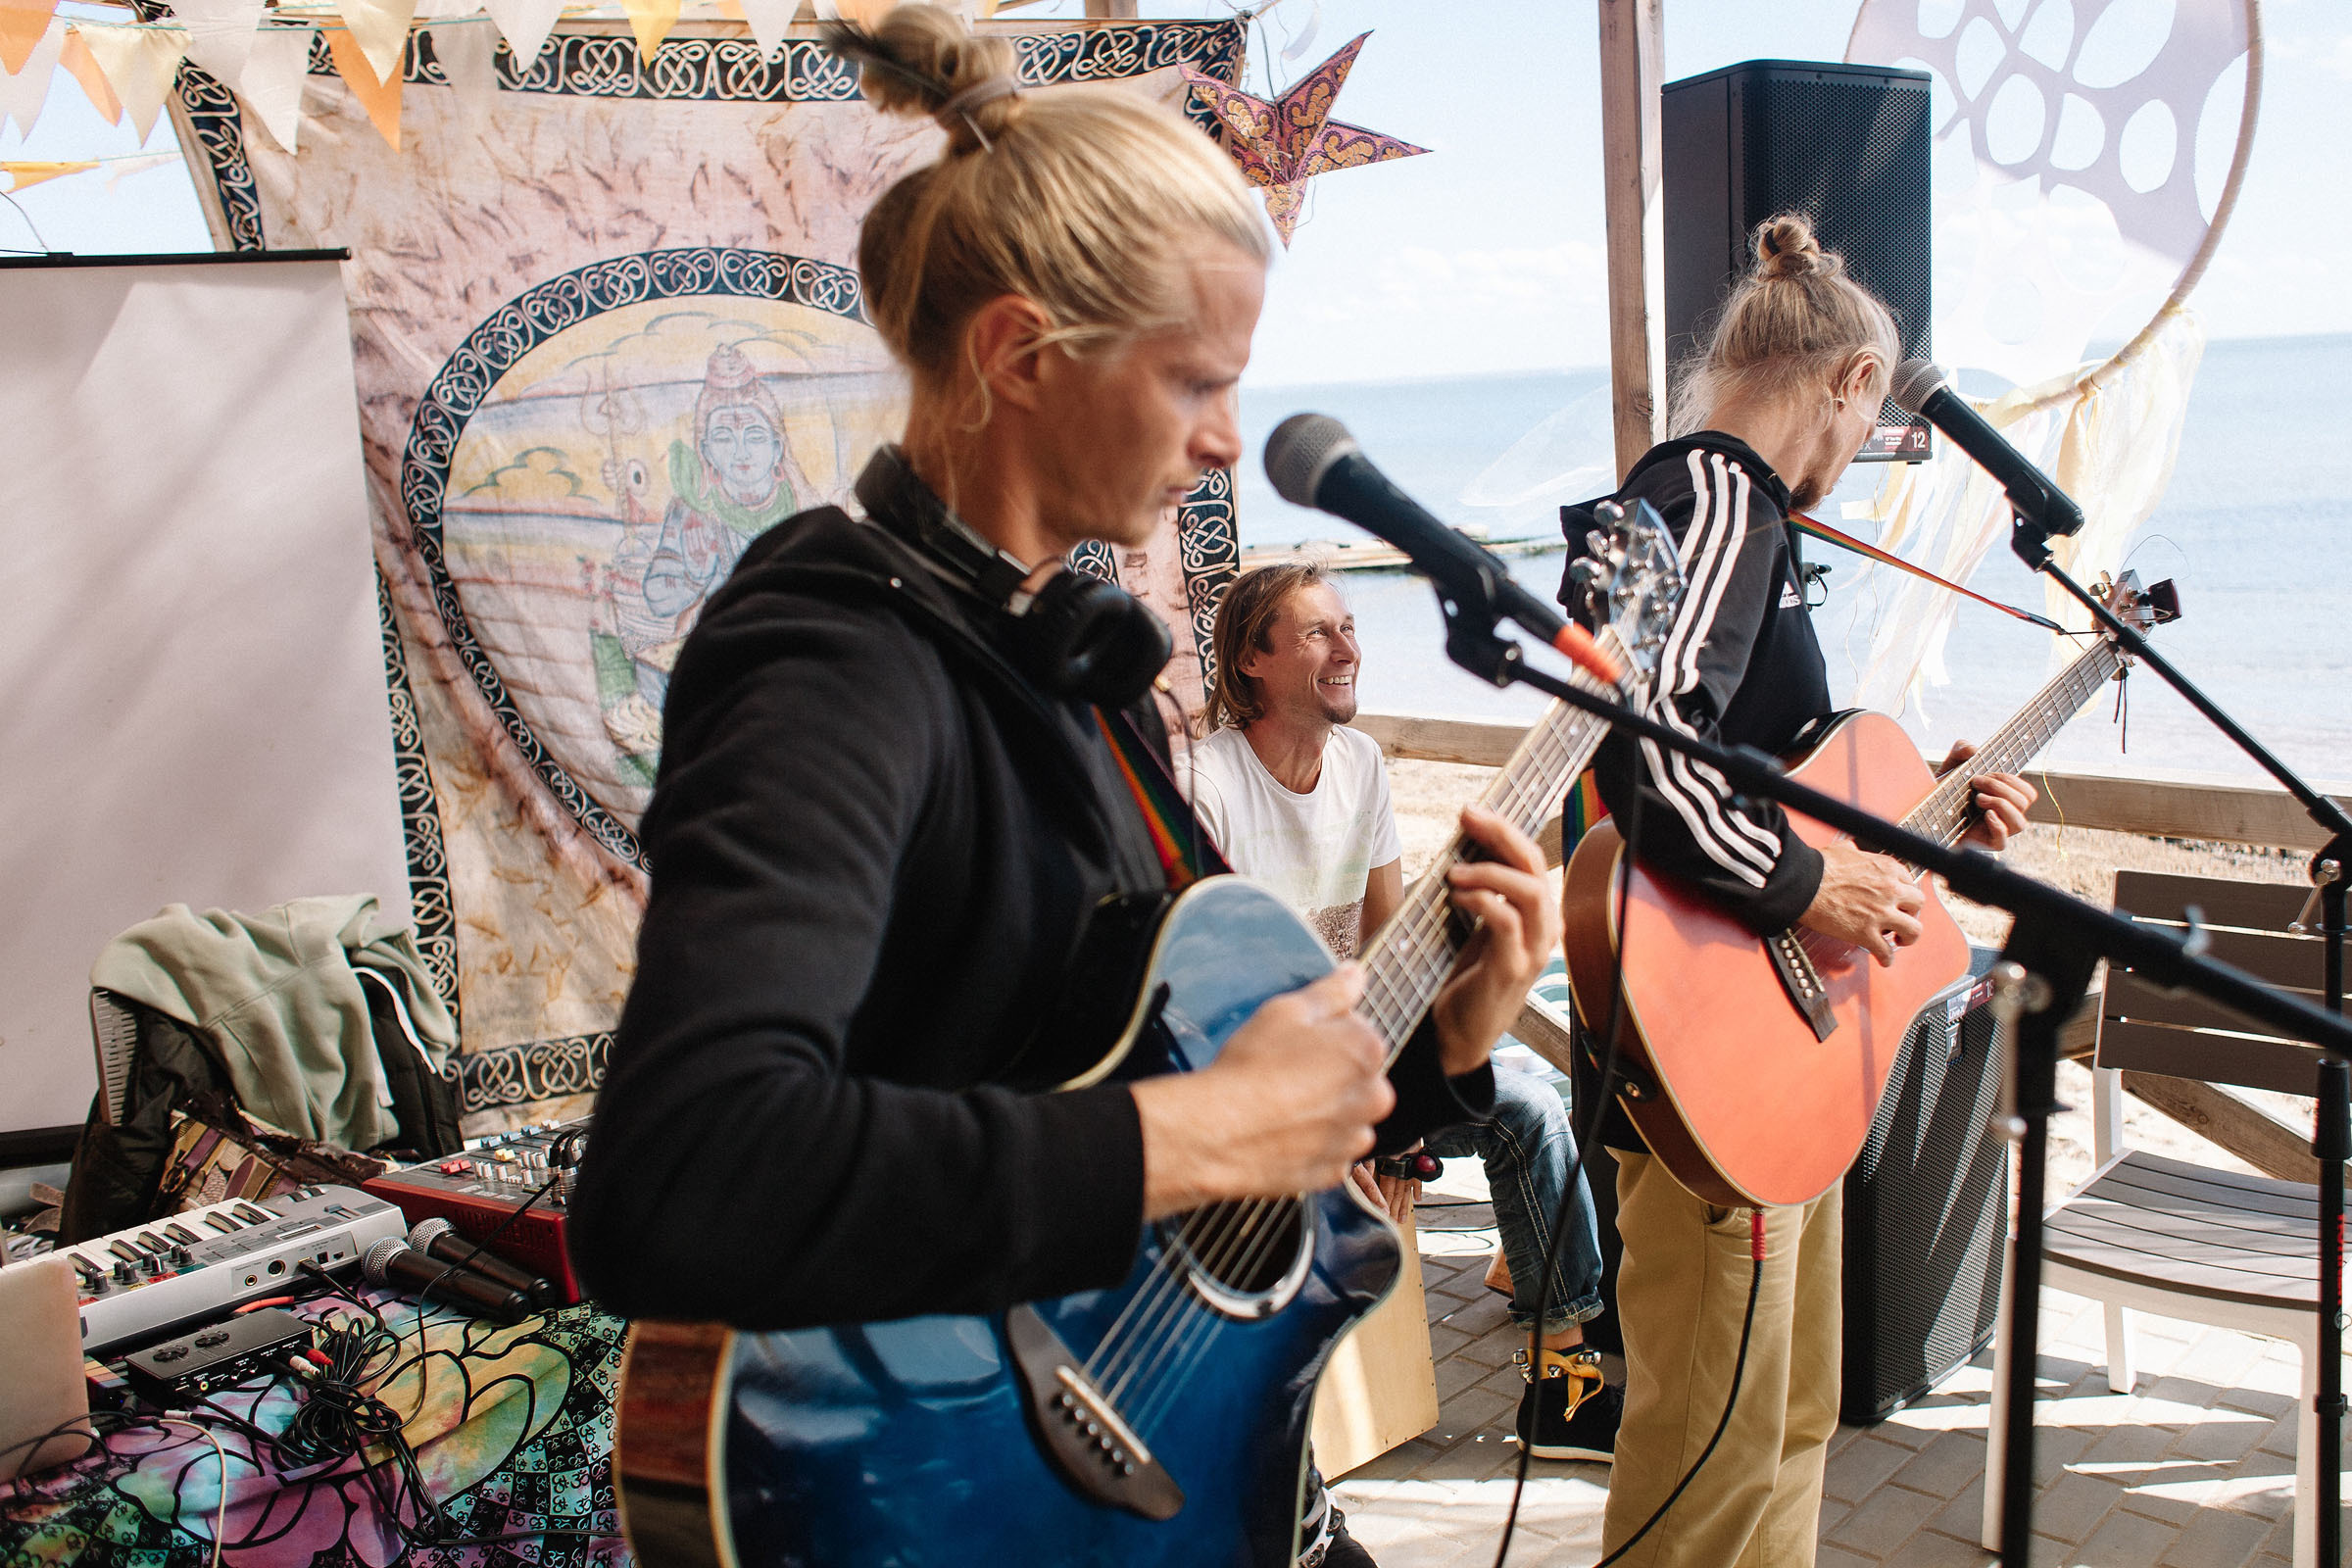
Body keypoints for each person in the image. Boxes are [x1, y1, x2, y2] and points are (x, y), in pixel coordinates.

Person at [565, 8, 1560, 1565]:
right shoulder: (836, 658)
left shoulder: (1069, 662)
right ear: (1020, 354)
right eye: (1196, 383)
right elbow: (682, 1180)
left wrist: (1441, 1049)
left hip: (1189, 1465)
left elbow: (1121, 1070)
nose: (1226, 443)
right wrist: (1200, 1133)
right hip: (950, 1489)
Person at [1572, 214, 2037, 1568]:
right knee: (1712, 1462)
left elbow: (1755, 769)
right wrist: (1804, 887)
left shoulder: (1694, 506)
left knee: (1781, 1425)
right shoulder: (1722, 499)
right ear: (1849, 381)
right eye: (1875, 418)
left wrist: (1924, 809)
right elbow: (1647, 755)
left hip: (1764, 1060)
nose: (1866, 447)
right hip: (1716, 1051)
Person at [1186, 562, 1621, 1464]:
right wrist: (1342, 1128)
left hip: (1358, 1063)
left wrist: (1403, 1120)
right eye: (1318, 632)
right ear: (1252, 661)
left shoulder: (1361, 765)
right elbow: (1203, 1003)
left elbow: (1391, 948)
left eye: (1349, 628)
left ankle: (1560, 1383)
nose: (1347, 648)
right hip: (1252, 1091)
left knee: (1532, 1107)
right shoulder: (1208, 786)